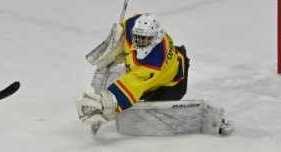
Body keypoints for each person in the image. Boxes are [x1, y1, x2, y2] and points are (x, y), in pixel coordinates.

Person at [76, 13, 232, 136]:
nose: (139, 42)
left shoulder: (154, 63)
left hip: (171, 85)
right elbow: (130, 23)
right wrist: (116, 40)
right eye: (137, 37)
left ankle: (208, 119)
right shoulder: (133, 26)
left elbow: (130, 86)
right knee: (111, 71)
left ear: (156, 37)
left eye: (145, 39)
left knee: (147, 114)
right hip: (169, 63)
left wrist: (107, 104)